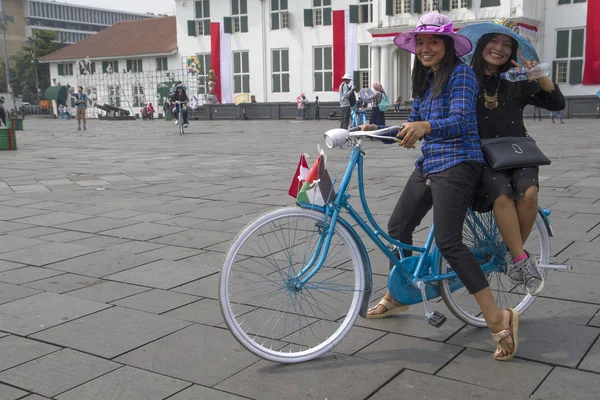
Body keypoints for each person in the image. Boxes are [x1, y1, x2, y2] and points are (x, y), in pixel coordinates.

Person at [361, 13, 520, 361]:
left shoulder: (461, 73)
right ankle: (400, 293)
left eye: (433, 42)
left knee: (449, 241)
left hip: (460, 163)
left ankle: (497, 317)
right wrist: (371, 132)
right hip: (430, 162)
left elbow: (462, 120)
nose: (425, 48)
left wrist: (425, 127)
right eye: (421, 42)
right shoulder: (425, 78)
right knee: (398, 226)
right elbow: (414, 118)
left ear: (447, 45)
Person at [458, 21, 566, 297]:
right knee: (502, 196)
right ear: (482, 44)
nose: (500, 49)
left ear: (514, 52)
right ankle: (521, 259)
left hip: (517, 151)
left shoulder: (516, 79)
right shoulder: (465, 79)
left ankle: (511, 254)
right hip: (481, 154)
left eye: (507, 45)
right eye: (494, 42)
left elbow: (557, 103)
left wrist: (539, 74)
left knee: (529, 194)